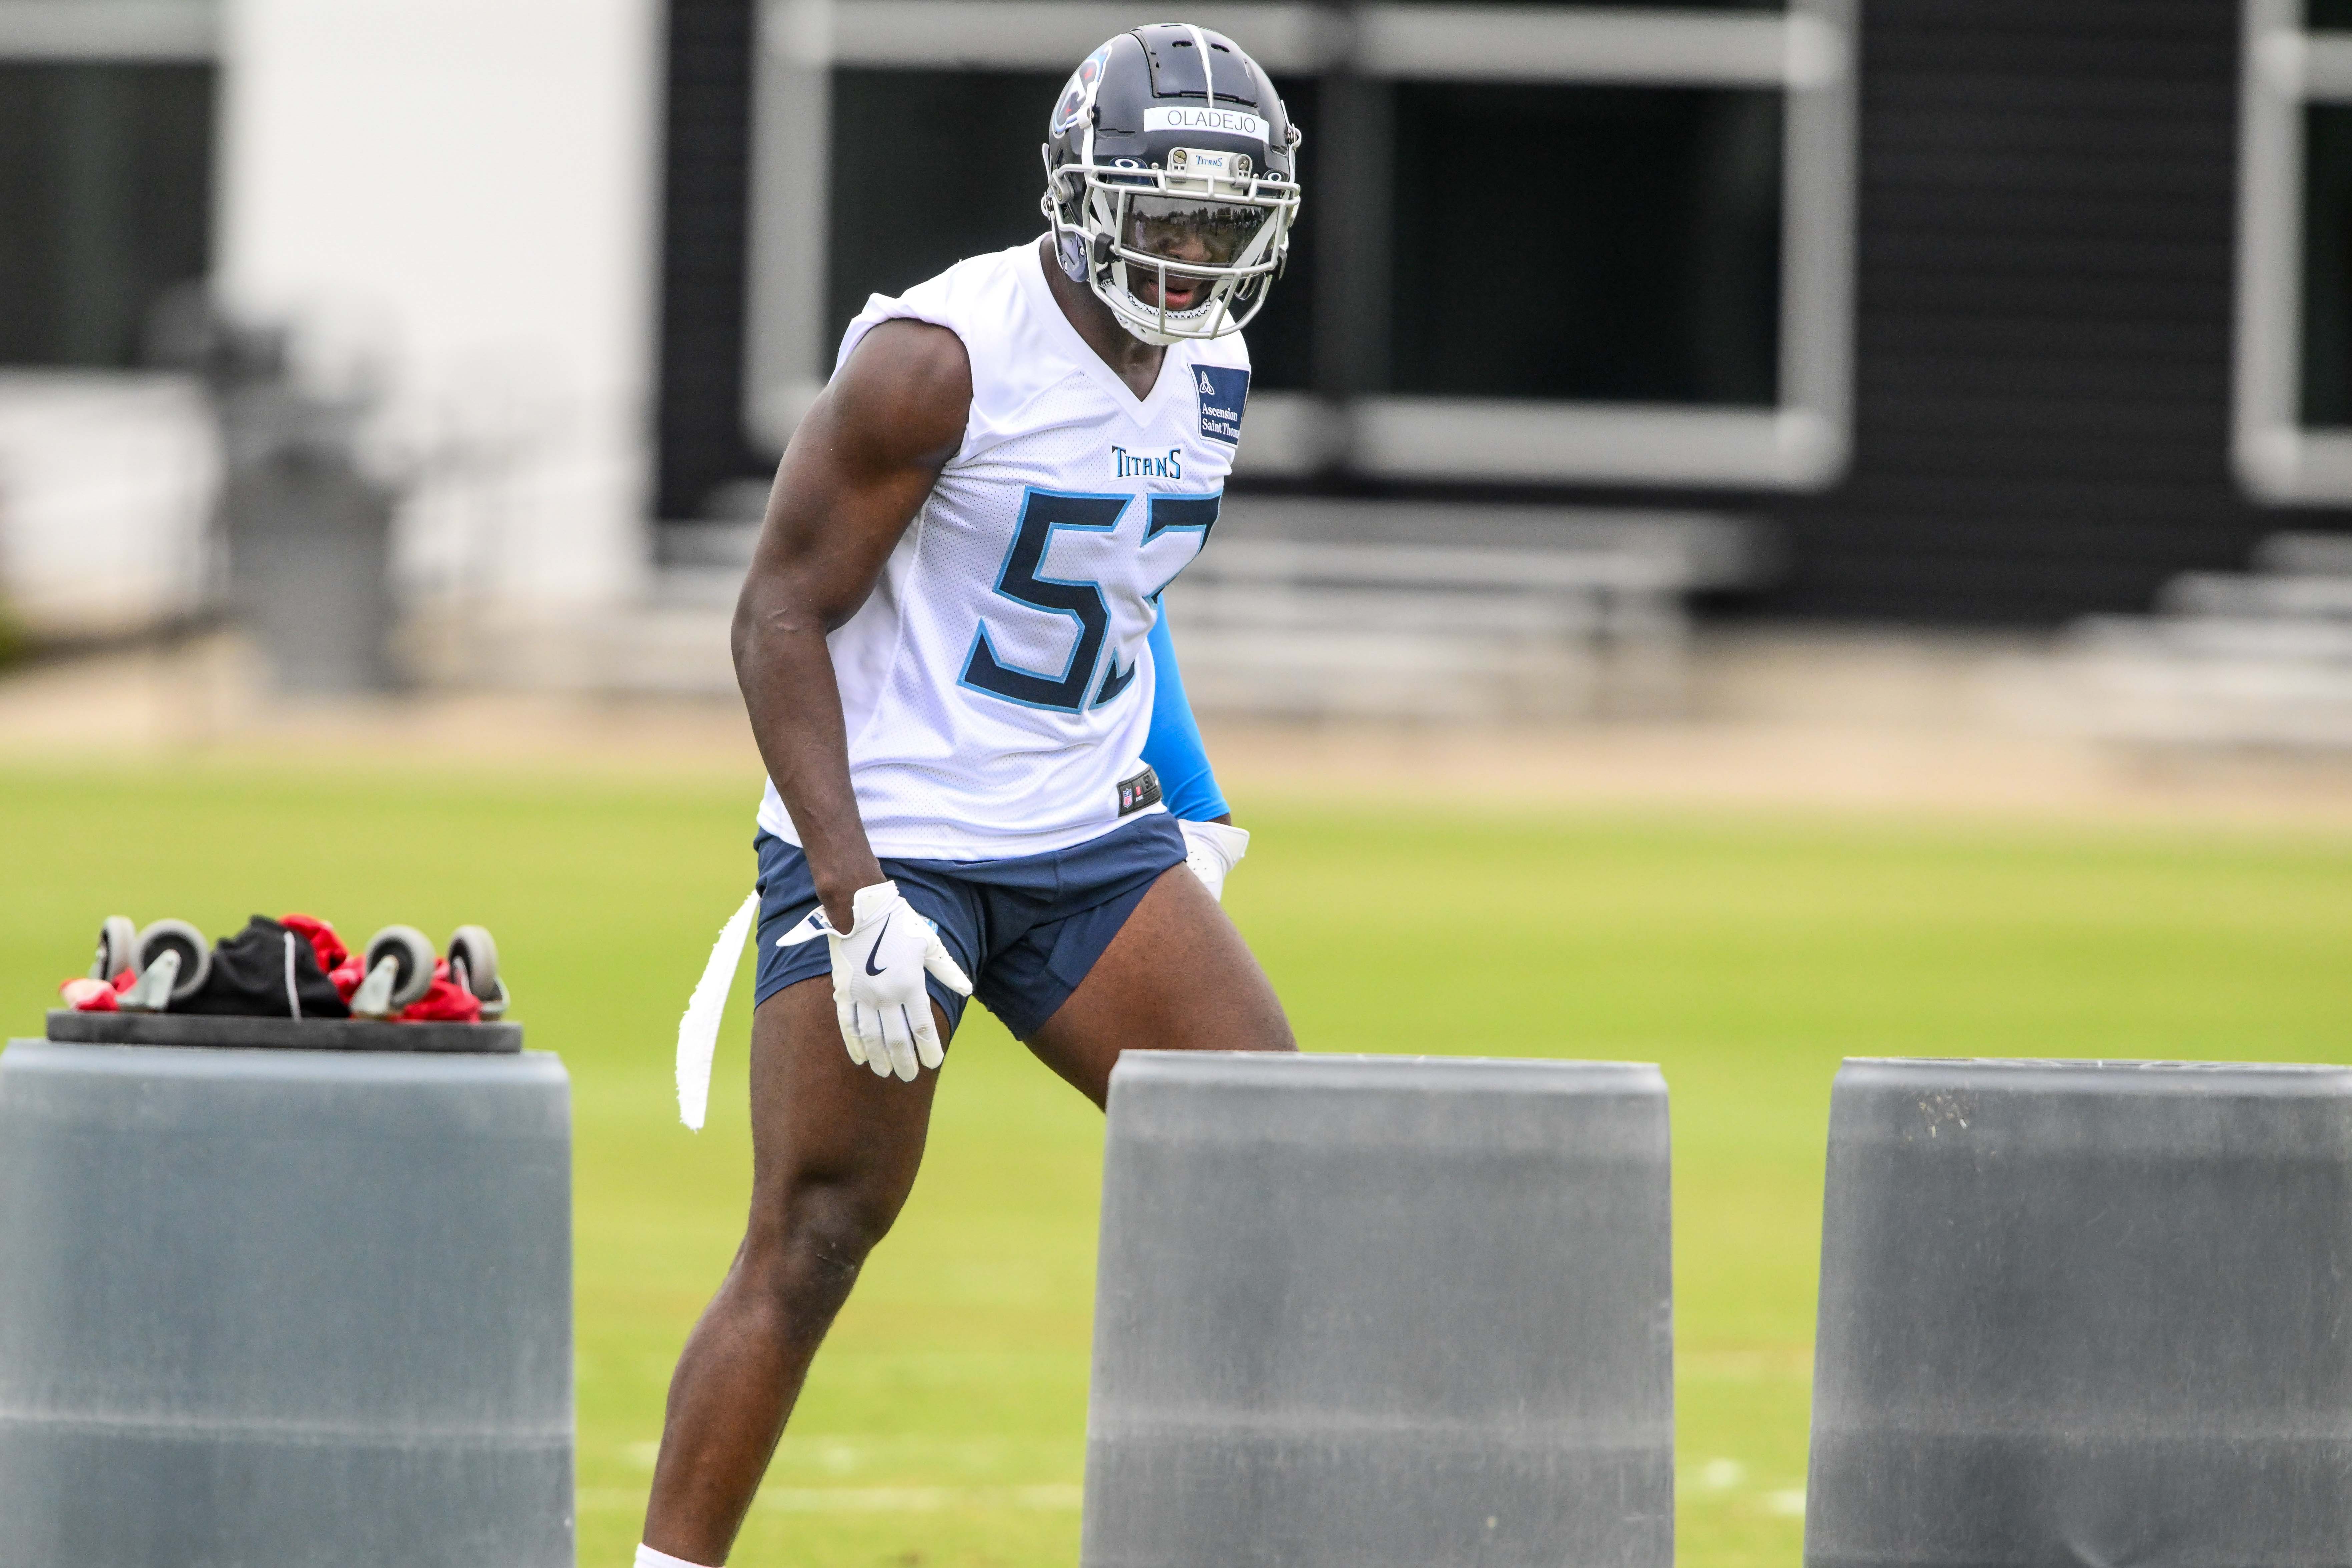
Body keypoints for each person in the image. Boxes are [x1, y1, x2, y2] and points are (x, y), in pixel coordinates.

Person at [635, 25, 1304, 1565]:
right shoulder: (937, 357)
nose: (1193, 250)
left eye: (1225, 217)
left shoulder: (1213, 366)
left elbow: (1124, 601)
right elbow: (775, 616)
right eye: (1164, 210)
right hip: (897, 840)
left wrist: (1187, 801)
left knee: (1283, 1161)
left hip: (1084, 832)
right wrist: (852, 890)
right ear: (1080, 193)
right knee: (814, 1234)